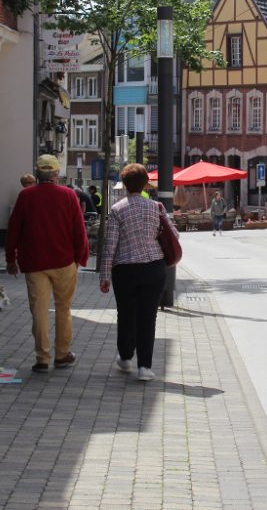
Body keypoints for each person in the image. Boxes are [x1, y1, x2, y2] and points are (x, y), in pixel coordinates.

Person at [6, 154, 88, 373]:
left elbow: (14, 229)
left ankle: (42, 358)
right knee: (63, 309)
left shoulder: (26, 197)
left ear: (38, 175)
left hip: (34, 262)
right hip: (64, 262)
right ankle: (62, 355)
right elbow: (79, 229)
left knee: (39, 311)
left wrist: (10, 259)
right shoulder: (69, 195)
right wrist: (81, 257)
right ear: (55, 174)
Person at [99, 163, 176, 381]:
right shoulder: (157, 208)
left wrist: (105, 276)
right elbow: (174, 236)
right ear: (145, 184)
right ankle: (145, 367)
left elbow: (110, 245)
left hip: (125, 270)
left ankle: (125, 358)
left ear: (124, 184)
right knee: (148, 317)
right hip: (154, 267)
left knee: (125, 314)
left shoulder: (117, 209)